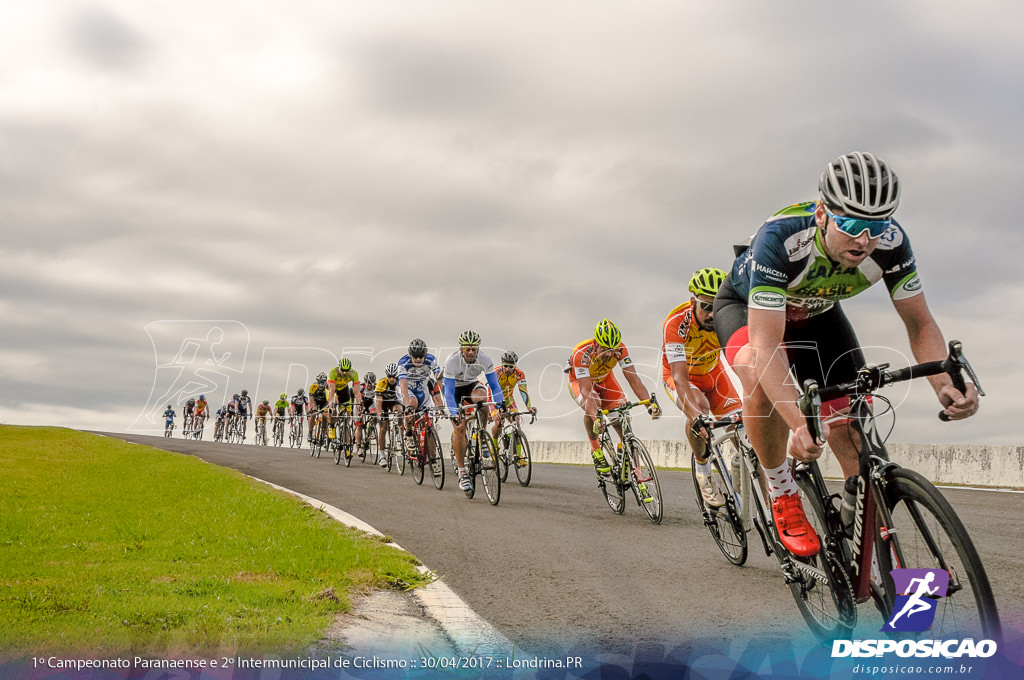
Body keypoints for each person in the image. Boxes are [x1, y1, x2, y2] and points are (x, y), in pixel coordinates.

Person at [714, 151, 980, 558]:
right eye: (852, 225)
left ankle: (868, 539)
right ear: (822, 214)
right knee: (758, 376)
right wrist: (799, 424)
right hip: (750, 310)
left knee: (852, 427)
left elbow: (920, 324)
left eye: (876, 227)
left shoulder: (891, 246)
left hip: (818, 314)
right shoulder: (780, 240)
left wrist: (944, 383)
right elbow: (768, 345)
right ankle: (781, 490)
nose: (864, 240)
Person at [661, 268, 742, 507]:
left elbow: (743, 360)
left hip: (715, 375)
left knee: (744, 433)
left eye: (718, 306)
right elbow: (680, 379)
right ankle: (704, 473)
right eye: (706, 306)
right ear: (692, 301)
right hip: (684, 378)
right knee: (700, 410)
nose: (712, 314)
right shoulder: (676, 324)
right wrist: (696, 416)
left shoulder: (728, 317)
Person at [568, 319, 662, 476]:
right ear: (595, 343)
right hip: (581, 382)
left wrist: (649, 405)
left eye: (612, 350)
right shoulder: (581, 353)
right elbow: (585, 392)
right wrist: (596, 417)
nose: (609, 354)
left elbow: (634, 380)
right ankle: (596, 449)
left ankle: (636, 471)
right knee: (594, 405)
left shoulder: (621, 349)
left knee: (623, 420)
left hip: (605, 380)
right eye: (605, 349)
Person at [443, 330, 507, 492]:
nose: (471, 352)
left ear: (478, 349)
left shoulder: (485, 359)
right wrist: (454, 413)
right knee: (460, 427)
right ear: (461, 349)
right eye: (467, 349)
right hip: (454, 390)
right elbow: (449, 393)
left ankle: (481, 434)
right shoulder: (452, 361)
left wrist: (501, 405)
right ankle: (462, 471)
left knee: (483, 398)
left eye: (474, 348)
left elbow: (494, 386)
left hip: (471, 384)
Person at [398, 338, 444, 451]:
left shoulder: (431, 360)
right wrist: (407, 405)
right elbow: (403, 386)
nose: (418, 359)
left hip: (423, 392)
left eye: (421, 357)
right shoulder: (403, 363)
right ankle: (408, 434)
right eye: (415, 357)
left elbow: (439, 381)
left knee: (430, 426)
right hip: (407, 390)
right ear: (410, 355)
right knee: (412, 403)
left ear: (425, 355)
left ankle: (433, 460)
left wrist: (446, 401)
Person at [490, 350, 537, 443]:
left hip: (508, 399)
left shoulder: (519, 374)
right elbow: (490, 391)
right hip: (494, 399)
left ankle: (519, 455)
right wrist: (497, 409)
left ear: (515, 366)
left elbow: (523, 391)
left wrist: (529, 407)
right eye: (505, 366)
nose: (507, 369)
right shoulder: (496, 373)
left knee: (517, 421)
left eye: (511, 367)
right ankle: (494, 448)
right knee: (499, 421)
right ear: (502, 364)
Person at [374, 363, 404, 467]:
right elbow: (378, 401)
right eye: (389, 376)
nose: (391, 379)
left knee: (399, 412)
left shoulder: (401, 382)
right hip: (384, 404)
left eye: (394, 377)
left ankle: (399, 430)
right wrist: (379, 415)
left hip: (395, 402)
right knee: (383, 429)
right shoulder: (381, 383)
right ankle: (382, 456)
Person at [327, 357, 361, 440]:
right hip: (332, 390)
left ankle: (345, 435)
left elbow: (356, 391)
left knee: (348, 415)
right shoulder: (333, 372)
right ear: (339, 367)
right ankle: (331, 426)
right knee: (333, 406)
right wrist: (330, 402)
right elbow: (332, 389)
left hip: (343, 389)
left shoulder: (354, 373)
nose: (345, 373)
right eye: (343, 370)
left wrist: (359, 404)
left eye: (347, 371)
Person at [355, 371, 377, 456]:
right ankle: (358, 447)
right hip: (359, 404)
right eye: (368, 383)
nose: (370, 385)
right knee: (359, 425)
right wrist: (360, 409)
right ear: (365, 382)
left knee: (375, 414)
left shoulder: (376, 387)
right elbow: (357, 398)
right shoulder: (361, 387)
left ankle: (371, 430)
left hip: (370, 404)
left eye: (372, 383)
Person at [307, 374, 330, 441]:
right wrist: (311, 408)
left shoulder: (329, 387)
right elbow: (311, 399)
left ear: (325, 382)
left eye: (322, 382)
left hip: (325, 402)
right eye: (319, 382)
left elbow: (330, 399)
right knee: (313, 413)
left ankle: (323, 435)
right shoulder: (313, 386)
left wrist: (328, 408)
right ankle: (310, 433)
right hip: (316, 401)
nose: (320, 385)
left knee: (325, 416)